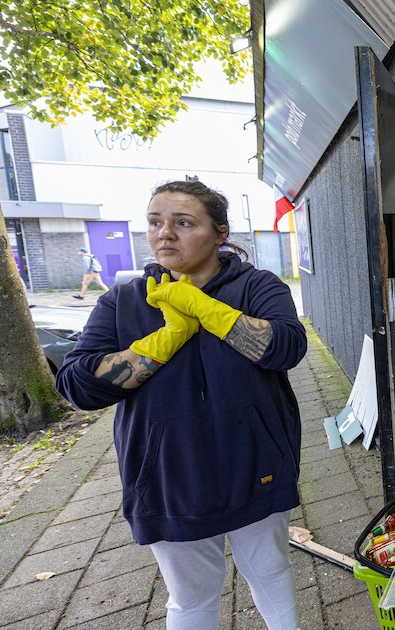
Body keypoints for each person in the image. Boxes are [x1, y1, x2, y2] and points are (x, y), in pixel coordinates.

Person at [56, 181, 307, 629]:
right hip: (168, 476)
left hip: (254, 464)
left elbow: (285, 346)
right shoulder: (122, 302)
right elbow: (79, 386)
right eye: (155, 222)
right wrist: (165, 338)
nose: (164, 234)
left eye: (183, 223)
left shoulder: (257, 286)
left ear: (219, 233)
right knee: (191, 595)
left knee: (271, 572)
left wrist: (206, 309)